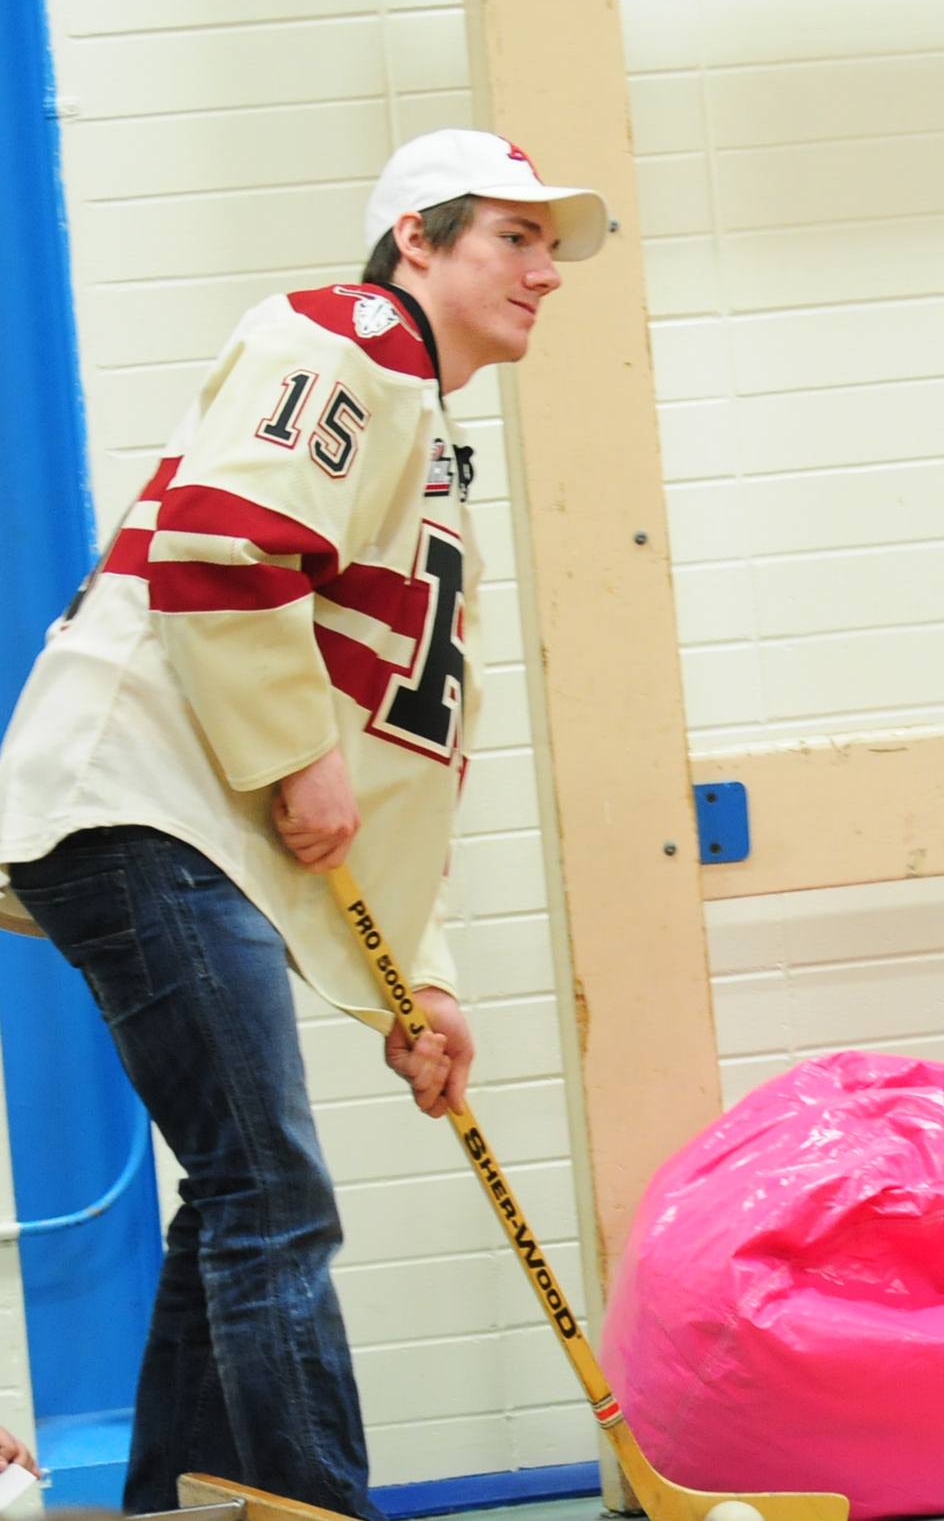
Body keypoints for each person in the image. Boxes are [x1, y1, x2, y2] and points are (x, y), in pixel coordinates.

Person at [0, 129, 607, 1516]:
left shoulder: (430, 443)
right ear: (417, 241)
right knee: (273, 1191)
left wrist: (421, 972)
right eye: (511, 236)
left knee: (240, 1193)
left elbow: (385, 759)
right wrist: (290, 756)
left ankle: (172, 1505)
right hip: (137, 802)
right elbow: (219, 541)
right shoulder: (345, 339)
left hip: (195, 828)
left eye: (549, 244)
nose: (546, 271)